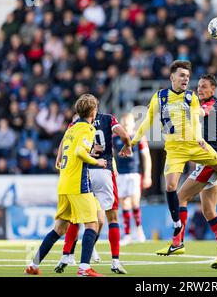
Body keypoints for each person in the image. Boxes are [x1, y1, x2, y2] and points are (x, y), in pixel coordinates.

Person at [119, 60, 217, 254]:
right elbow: (146, 121)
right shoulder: (160, 97)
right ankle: (187, 237)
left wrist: (198, 137)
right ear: (172, 77)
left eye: (188, 77)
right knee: (174, 189)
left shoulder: (193, 98)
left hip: (194, 145)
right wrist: (131, 142)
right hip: (174, 150)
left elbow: (198, 120)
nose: (186, 80)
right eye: (183, 76)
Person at [155, 74, 217, 269]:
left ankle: (178, 242)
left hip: (211, 161)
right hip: (210, 162)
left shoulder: (213, 105)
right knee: (209, 211)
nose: (199, 90)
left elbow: (200, 113)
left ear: (213, 89)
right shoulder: (204, 104)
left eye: (204, 87)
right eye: (199, 86)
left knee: (180, 196)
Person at [24, 94, 107, 277]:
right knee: (93, 224)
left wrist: (60, 160)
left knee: (59, 228)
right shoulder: (88, 128)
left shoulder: (71, 129)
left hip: (63, 183)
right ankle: (84, 268)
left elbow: (63, 151)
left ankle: (33, 264)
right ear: (93, 111)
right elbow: (79, 151)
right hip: (78, 184)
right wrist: (97, 161)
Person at [55, 109, 132, 275]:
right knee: (110, 218)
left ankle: (67, 255)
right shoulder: (107, 119)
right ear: (95, 108)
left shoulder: (76, 123)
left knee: (80, 218)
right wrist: (128, 145)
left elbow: (65, 140)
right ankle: (115, 261)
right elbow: (124, 135)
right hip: (103, 170)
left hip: (85, 173)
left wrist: (59, 157)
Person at [114, 113, 152, 246]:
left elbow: (146, 157)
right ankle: (128, 234)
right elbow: (112, 155)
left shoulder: (139, 137)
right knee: (124, 203)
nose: (125, 124)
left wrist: (147, 175)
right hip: (121, 174)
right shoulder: (116, 138)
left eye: (128, 121)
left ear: (132, 122)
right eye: (123, 121)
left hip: (134, 173)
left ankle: (139, 230)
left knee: (135, 203)